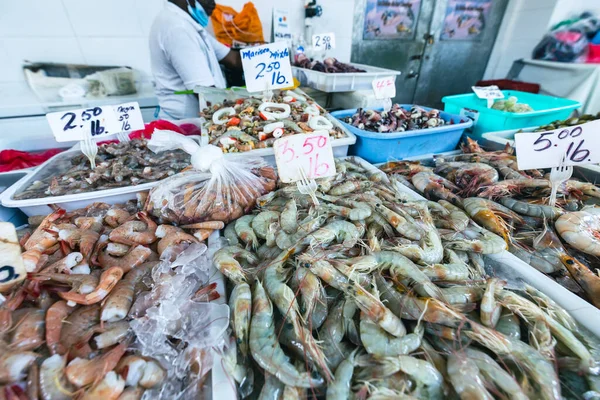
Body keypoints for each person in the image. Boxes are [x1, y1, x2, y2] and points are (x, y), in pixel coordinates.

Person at [149, 0, 242, 119]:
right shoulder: (177, 28)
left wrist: (270, 56)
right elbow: (206, 94)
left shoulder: (189, 25)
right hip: (184, 125)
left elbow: (234, 59)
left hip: (197, 119)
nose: (213, 4)